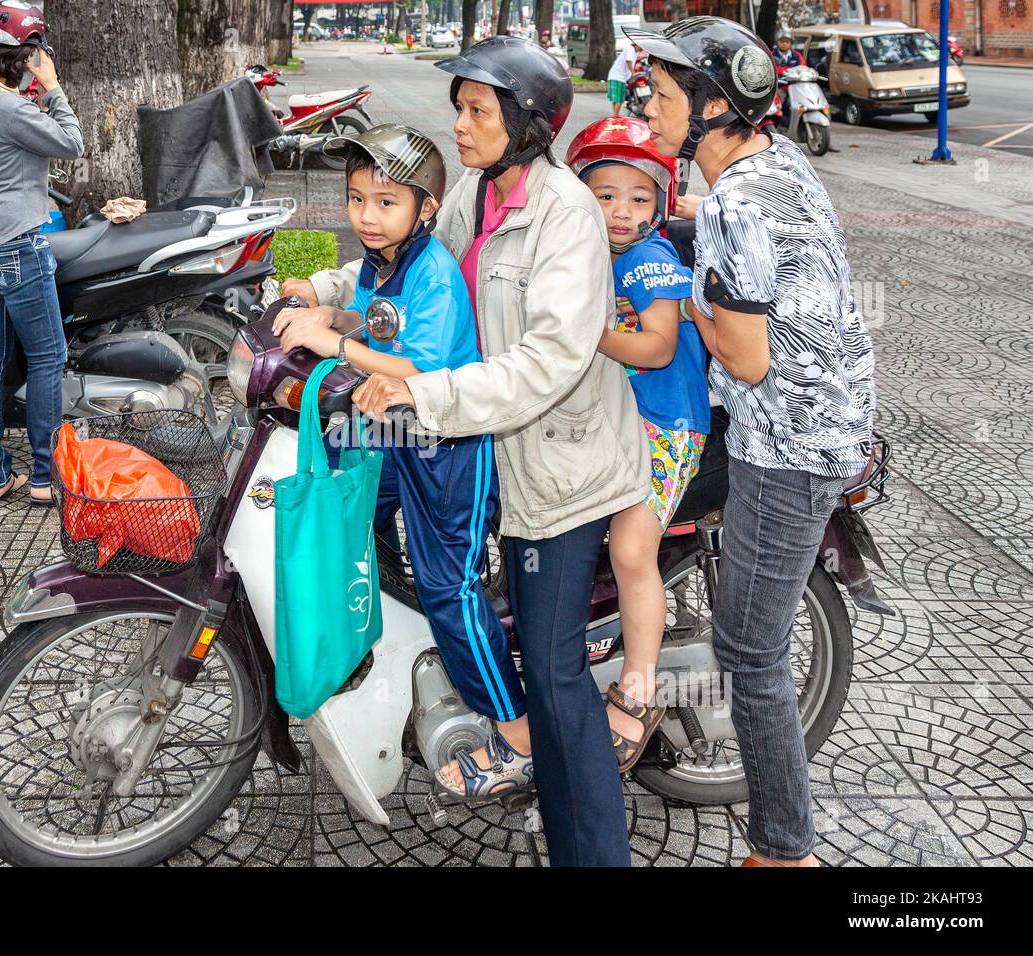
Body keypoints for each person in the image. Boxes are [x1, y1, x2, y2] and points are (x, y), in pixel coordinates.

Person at [284, 36, 648, 867]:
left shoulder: (565, 213)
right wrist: (323, 291)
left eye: (478, 111)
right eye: (459, 107)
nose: (460, 124)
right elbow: (407, 262)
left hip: (558, 465)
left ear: (525, 123)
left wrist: (422, 391)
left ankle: (592, 852)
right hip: (481, 442)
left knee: (553, 678)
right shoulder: (478, 195)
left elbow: (550, 361)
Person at [627, 16, 876, 866]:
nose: (649, 108)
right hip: (829, 417)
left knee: (751, 653)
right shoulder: (776, 166)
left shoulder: (736, 202)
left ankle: (784, 848)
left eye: (662, 97)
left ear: (708, 107)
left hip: (787, 445)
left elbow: (743, 354)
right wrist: (706, 226)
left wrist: (681, 298)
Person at [274, 126, 531, 773]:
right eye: (358, 199)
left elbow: (417, 369)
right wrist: (330, 315)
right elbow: (376, 324)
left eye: (386, 202)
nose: (367, 215)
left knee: (450, 586)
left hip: (451, 450)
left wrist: (336, 345)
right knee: (351, 492)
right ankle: (394, 633)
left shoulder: (435, 273)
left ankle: (518, 733)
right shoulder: (378, 262)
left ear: (425, 209)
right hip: (400, 437)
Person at [564, 117, 710, 772]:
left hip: (667, 427)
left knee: (630, 548)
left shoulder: (652, 262)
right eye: (605, 195)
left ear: (659, 203)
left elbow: (656, 346)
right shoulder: (592, 255)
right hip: (616, 417)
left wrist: (590, 333)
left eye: (639, 198)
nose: (622, 211)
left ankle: (639, 686)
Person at [0, 1, 83, 508]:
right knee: (48, 357)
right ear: (24, 57)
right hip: (15, 249)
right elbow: (71, 143)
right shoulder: (10, 108)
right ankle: (45, 477)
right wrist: (50, 87)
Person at [607, 43, 639, 117]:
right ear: (637, 45)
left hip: (618, 76)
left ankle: (615, 114)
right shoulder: (630, 49)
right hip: (618, 76)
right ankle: (615, 115)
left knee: (616, 98)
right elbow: (629, 62)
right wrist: (633, 73)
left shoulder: (635, 51)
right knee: (619, 98)